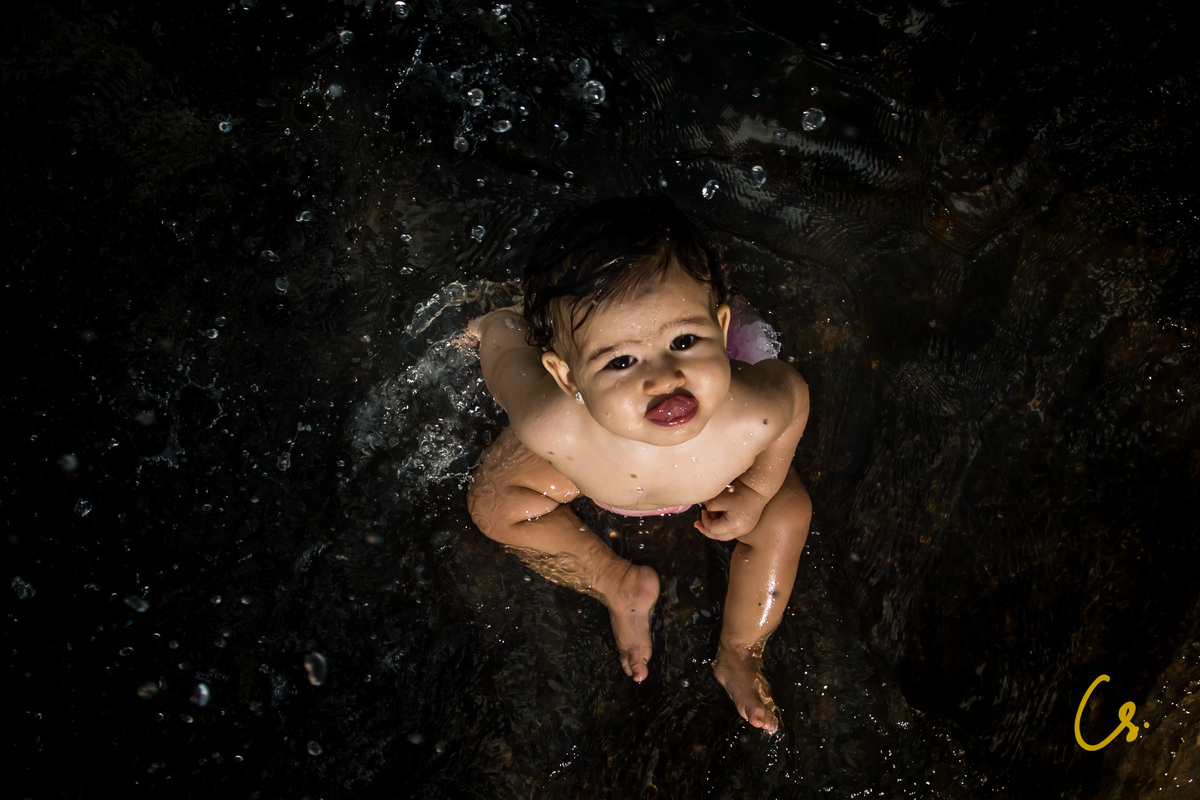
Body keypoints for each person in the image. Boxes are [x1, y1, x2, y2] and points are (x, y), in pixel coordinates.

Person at [465, 196, 811, 733]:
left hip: (719, 474)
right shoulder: (549, 422)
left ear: (720, 329)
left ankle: (741, 650)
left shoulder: (750, 418)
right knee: (493, 506)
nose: (664, 376)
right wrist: (495, 324)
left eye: (684, 340)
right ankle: (613, 582)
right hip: (590, 464)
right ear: (566, 378)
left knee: (787, 515)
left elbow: (793, 392)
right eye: (621, 361)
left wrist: (758, 492)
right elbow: (506, 355)